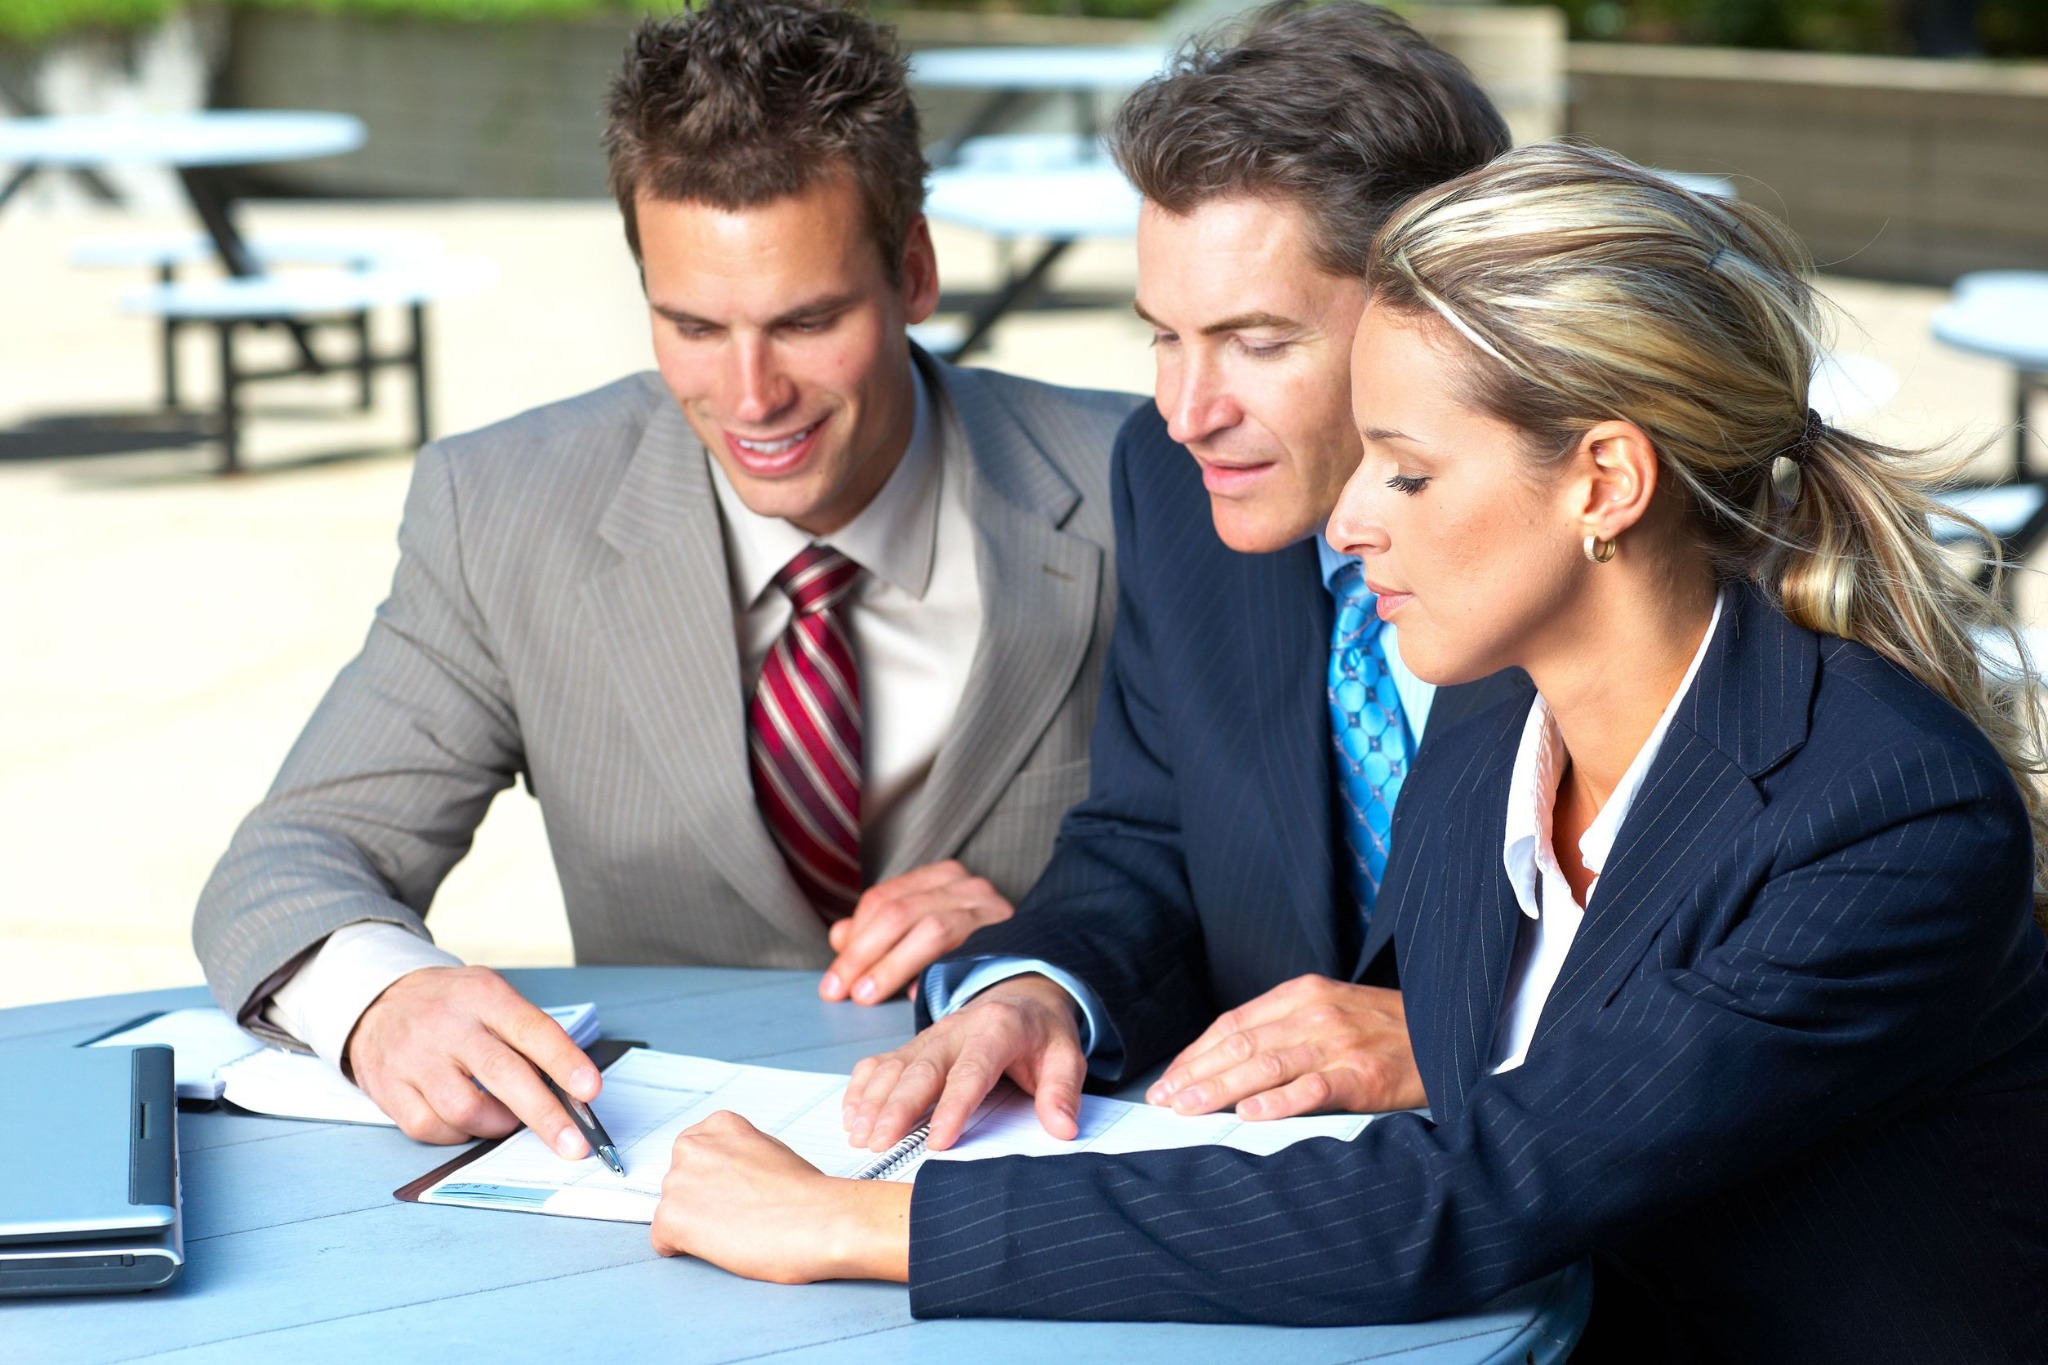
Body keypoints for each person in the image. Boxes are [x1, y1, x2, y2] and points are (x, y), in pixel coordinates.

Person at [646, 144, 2048, 1360]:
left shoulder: (1887, 813)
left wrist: (859, 1221)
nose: (1353, 518)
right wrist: (1032, 980)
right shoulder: (1498, 724)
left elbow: (1469, 1191)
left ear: (1604, 482)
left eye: (1407, 468)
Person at [190, 0, 1138, 1162]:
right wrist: (383, 1002)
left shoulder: (1147, 489)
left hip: (1034, 1169)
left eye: (806, 321)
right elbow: (288, 862)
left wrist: (1057, 940)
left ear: (915, 270)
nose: (749, 398)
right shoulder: (504, 511)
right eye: (691, 324)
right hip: (657, 1188)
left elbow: (1305, 896)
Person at [838, 0, 1517, 1159]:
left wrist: (1454, 1039)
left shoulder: (1596, 550)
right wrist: (1035, 992)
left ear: (1441, 310)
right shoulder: (1170, 482)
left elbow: (1729, 960)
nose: (1186, 412)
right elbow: (1150, 839)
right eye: (1163, 334)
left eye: (1256, 342)